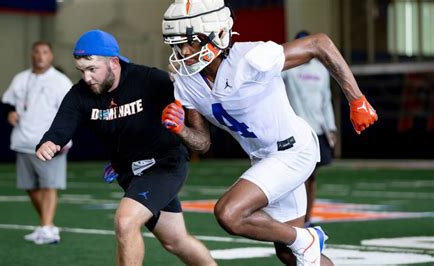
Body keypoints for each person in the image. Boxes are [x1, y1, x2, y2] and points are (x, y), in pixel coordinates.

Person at [160, 0, 377, 265]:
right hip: (264, 158)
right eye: (176, 44)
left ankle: (304, 239)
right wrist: (181, 129)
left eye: (189, 42)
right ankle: (303, 242)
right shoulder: (186, 81)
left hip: (294, 149)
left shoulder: (251, 58)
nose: (182, 51)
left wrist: (357, 100)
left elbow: (319, 43)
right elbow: (202, 142)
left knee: (229, 213)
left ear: (217, 33)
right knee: (290, 255)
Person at [35, 29, 216, 266]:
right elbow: (61, 126)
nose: (87, 78)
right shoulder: (80, 94)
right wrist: (49, 142)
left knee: (125, 221)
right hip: (130, 174)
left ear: (113, 62)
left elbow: (195, 100)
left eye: (92, 70)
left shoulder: (149, 80)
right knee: (175, 241)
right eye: (82, 71)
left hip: (164, 166)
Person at [1, 41, 73, 245]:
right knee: (30, 187)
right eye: (37, 52)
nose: (40, 56)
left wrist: (62, 139)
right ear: (31, 54)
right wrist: (10, 113)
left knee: (49, 185)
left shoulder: (60, 81)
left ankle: (47, 228)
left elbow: (71, 111)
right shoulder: (20, 78)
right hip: (23, 140)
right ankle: (47, 225)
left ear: (51, 56)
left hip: (50, 143)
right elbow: (7, 101)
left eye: (45, 52)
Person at [282, 30, 337, 226]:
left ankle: (307, 217)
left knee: (311, 176)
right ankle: (295, 218)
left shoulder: (321, 70)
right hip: (295, 129)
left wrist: (331, 128)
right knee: (298, 177)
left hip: (318, 130)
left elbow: (326, 100)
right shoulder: (288, 69)